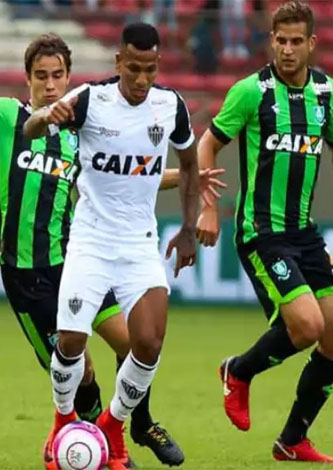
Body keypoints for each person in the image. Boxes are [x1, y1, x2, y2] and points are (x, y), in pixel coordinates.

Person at [0, 29, 223, 468]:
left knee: (135, 340)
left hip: (71, 259)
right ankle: (93, 442)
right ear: (28, 79)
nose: (50, 84)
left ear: (68, 77)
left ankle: (136, 424)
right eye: (41, 75)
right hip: (26, 275)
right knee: (85, 374)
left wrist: (187, 180)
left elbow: (129, 171)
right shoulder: (6, 117)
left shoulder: (77, 130)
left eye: (58, 75)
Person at [24, 23, 209, 470]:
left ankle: (112, 425)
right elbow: (29, 129)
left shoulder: (170, 107)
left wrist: (188, 226)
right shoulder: (90, 100)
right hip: (89, 241)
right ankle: (62, 421)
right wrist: (47, 116)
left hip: (139, 245)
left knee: (148, 343)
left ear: (157, 65)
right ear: (118, 64)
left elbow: (188, 164)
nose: (141, 80)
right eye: (133, 69)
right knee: (70, 340)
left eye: (149, 69)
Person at [195, 0, 333, 462]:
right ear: (270, 41)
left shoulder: (329, 94)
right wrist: (209, 208)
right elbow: (207, 144)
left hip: (305, 234)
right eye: (281, 40)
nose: (288, 49)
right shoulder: (251, 92)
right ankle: (237, 371)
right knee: (309, 325)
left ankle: (292, 440)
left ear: (311, 43)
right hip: (261, 233)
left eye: (297, 41)